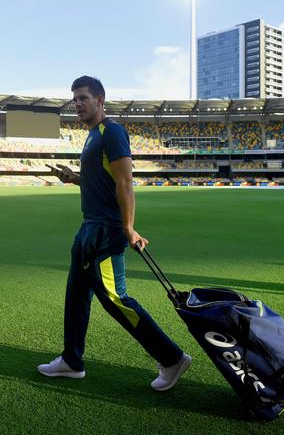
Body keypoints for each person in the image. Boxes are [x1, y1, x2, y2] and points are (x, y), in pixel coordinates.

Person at [40, 76, 191, 391]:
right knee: (76, 295)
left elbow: (124, 182)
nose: (78, 104)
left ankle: (172, 358)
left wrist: (128, 227)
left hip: (107, 231)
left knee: (115, 300)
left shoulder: (113, 132)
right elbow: (101, 179)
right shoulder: (92, 136)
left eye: (83, 98)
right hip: (88, 228)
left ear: (100, 100)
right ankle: (71, 361)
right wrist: (73, 178)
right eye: (75, 99)